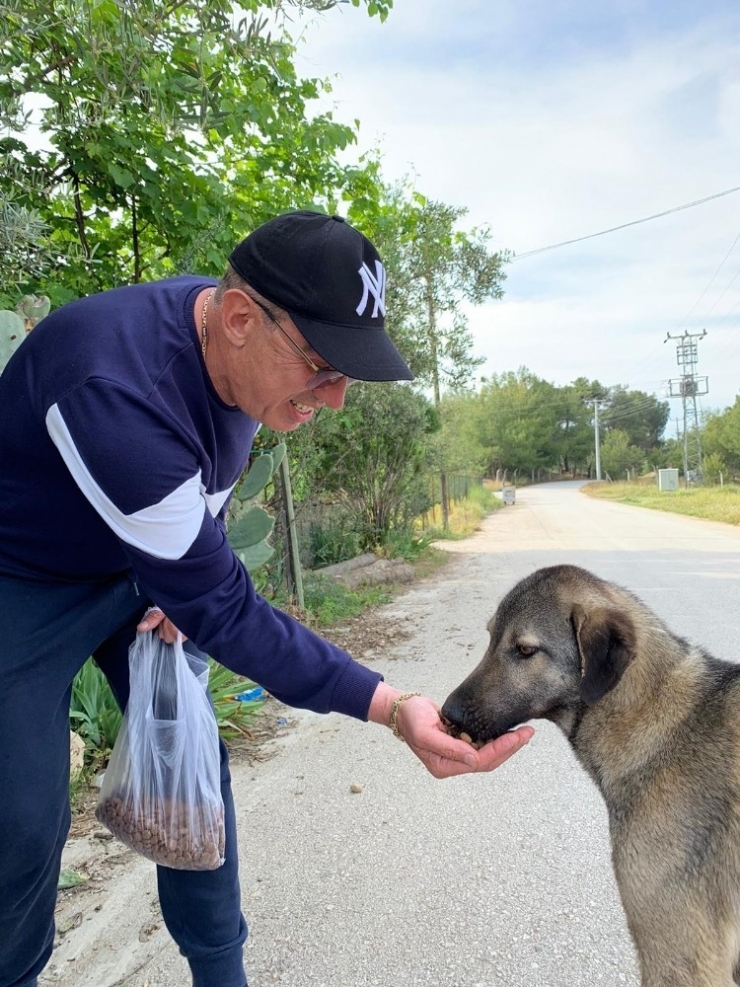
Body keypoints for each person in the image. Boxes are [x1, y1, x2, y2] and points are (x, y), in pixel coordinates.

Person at [0, 210, 533, 987]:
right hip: (24, 578)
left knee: (194, 771)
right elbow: (232, 611)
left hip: (137, 567)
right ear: (244, 318)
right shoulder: (117, 387)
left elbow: (204, 513)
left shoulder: (237, 352)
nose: (337, 397)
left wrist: (178, 582)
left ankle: (223, 976)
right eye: (323, 364)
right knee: (19, 819)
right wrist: (390, 706)